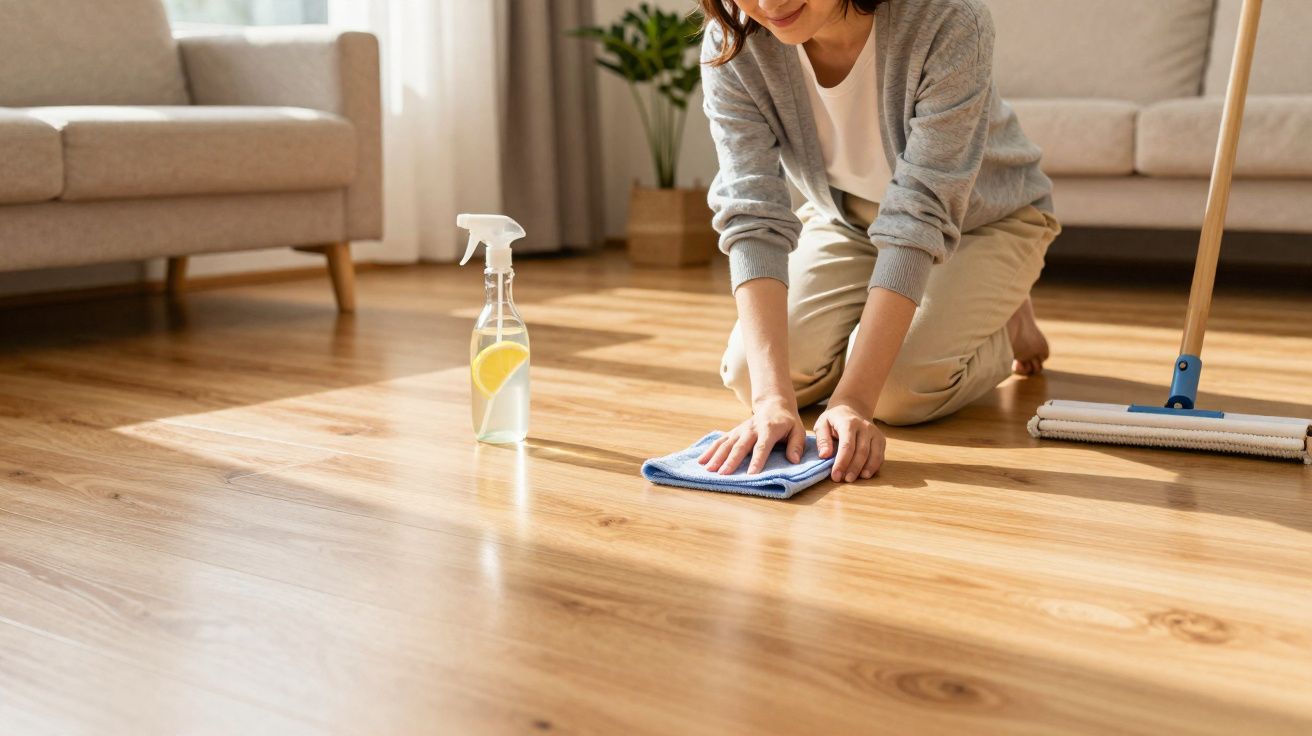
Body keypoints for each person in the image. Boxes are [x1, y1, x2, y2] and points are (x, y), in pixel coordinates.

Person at [694, 0, 1060, 483]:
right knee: (749, 374)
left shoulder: (948, 19)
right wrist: (771, 401)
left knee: (898, 390)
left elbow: (920, 213)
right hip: (849, 219)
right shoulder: (734, 40)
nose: (768, 4)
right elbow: (752, 210)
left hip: (987, 219)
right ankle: (948, 310)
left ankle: (1006, 316)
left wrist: (853, 401)